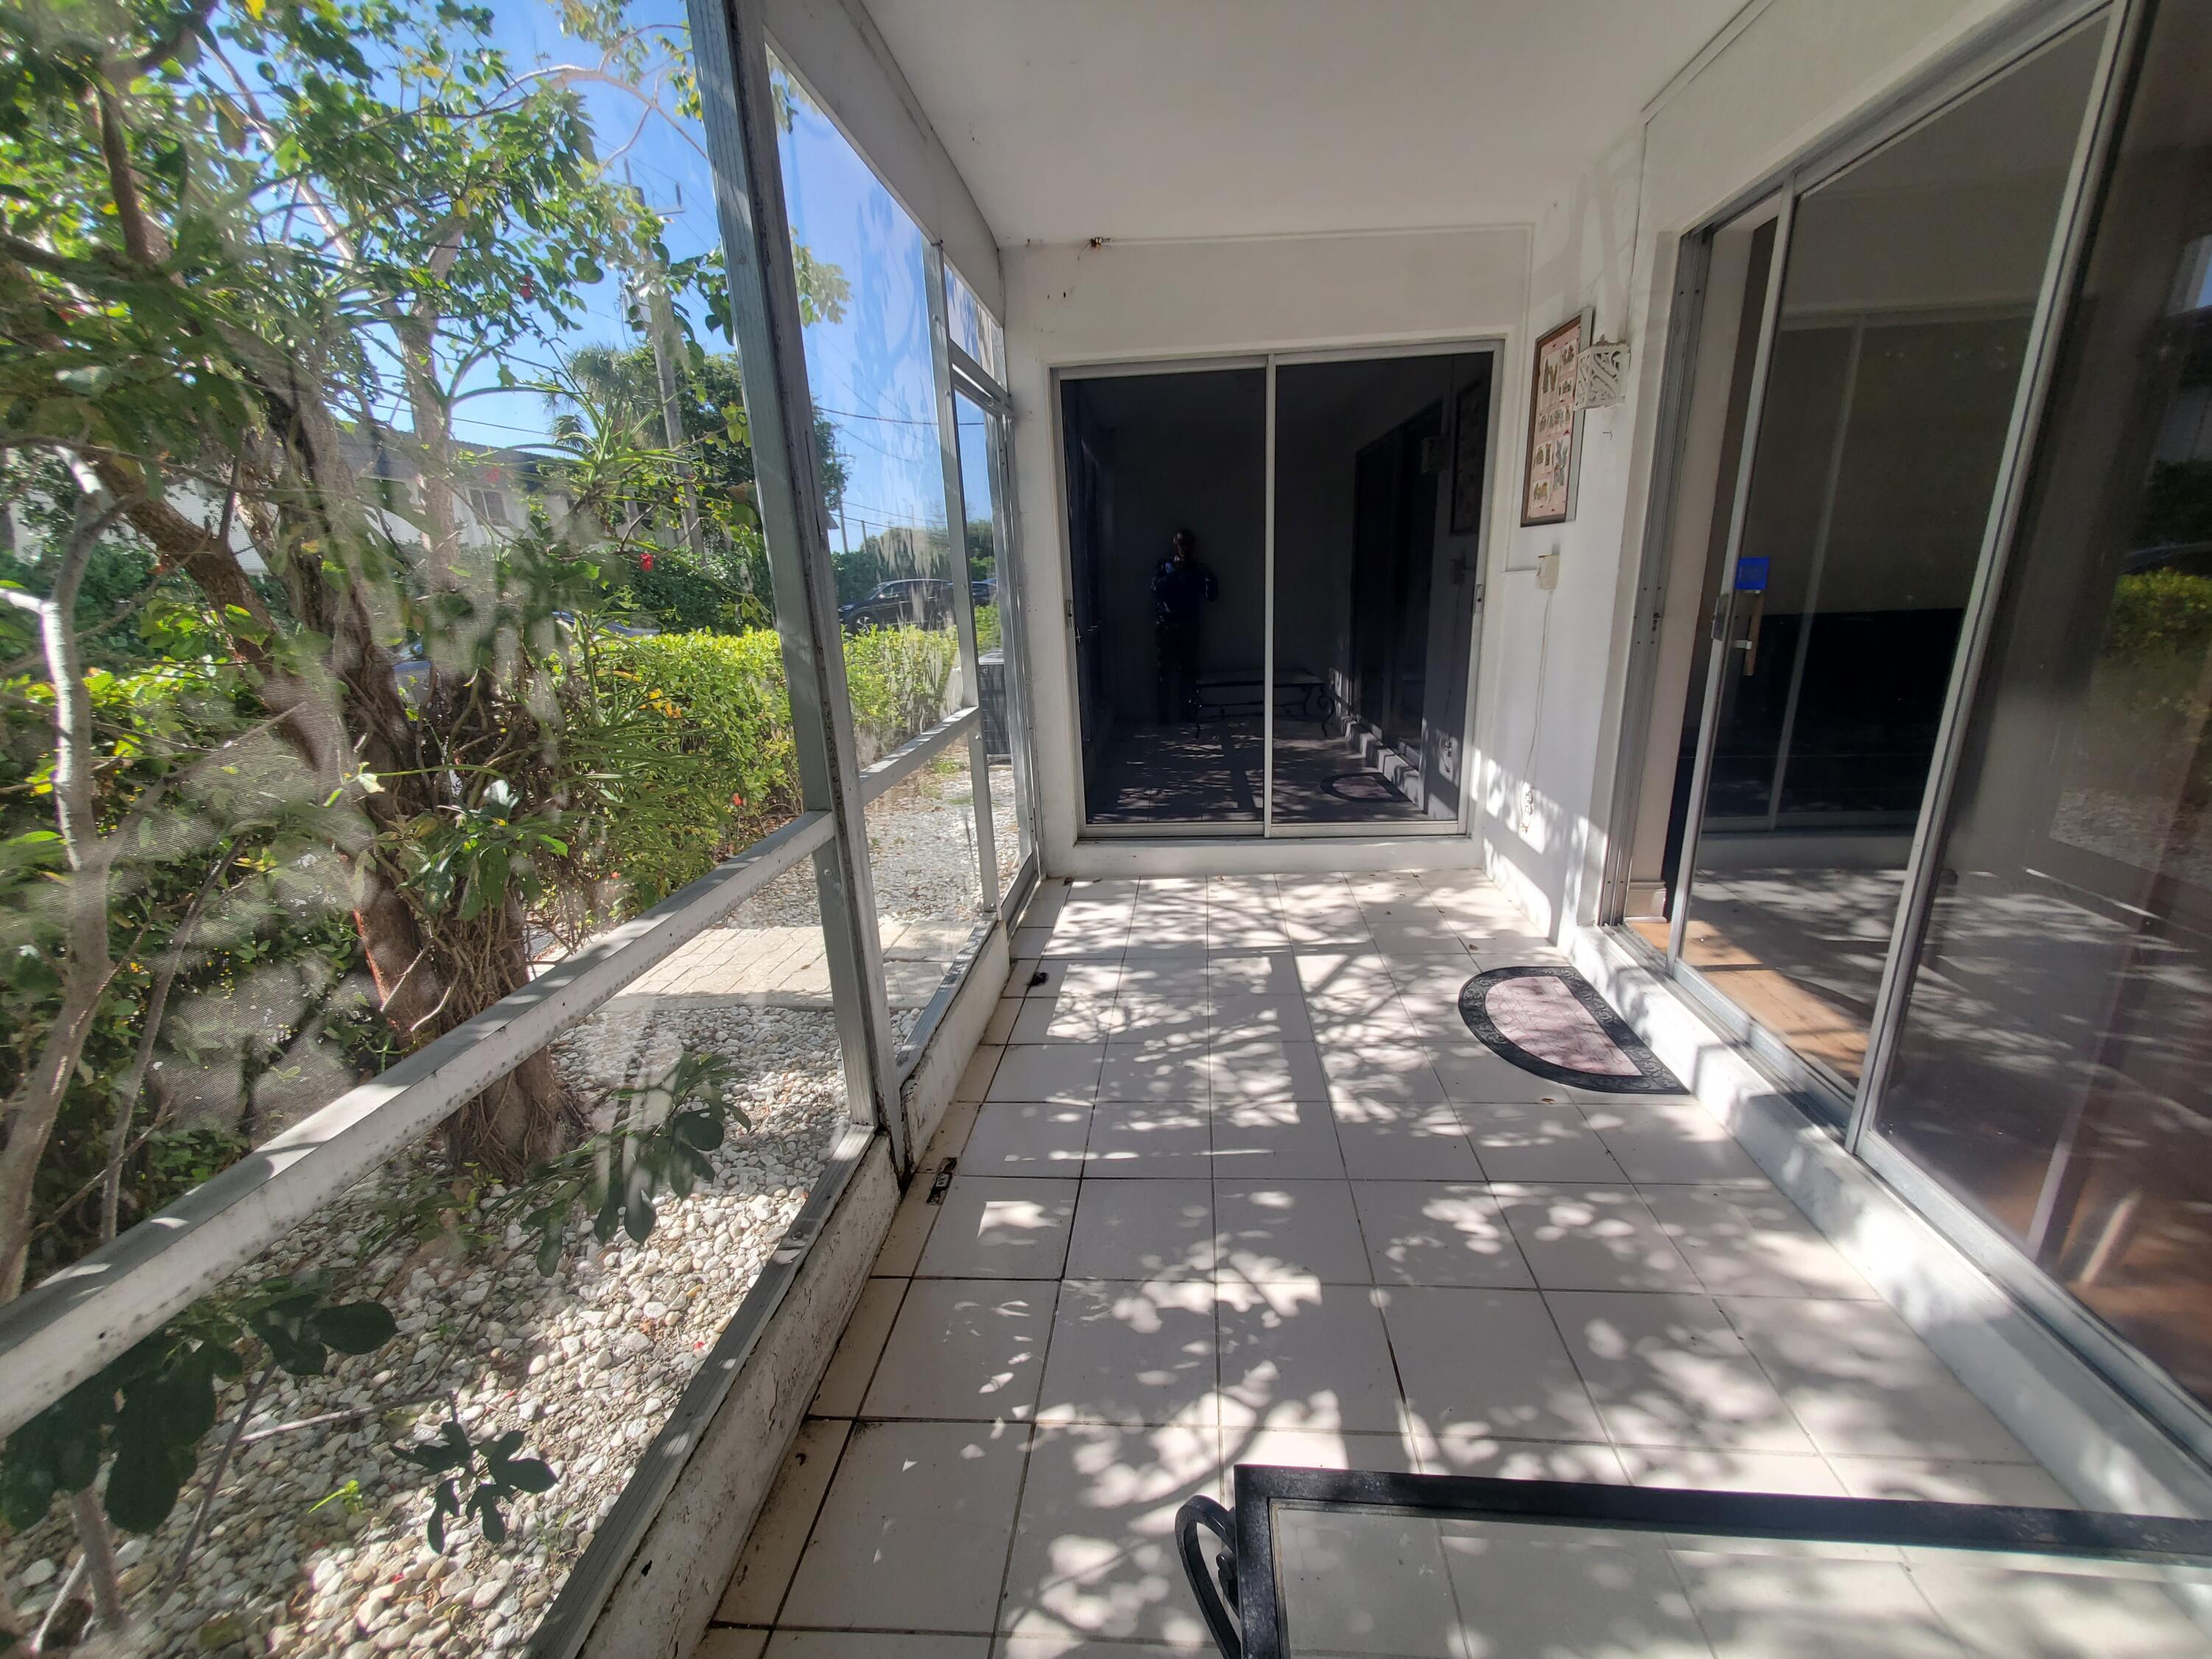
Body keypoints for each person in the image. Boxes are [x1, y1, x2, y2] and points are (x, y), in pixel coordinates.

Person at [1151, 529, 1218, 723]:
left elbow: (1212, 596)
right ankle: (1163, 715)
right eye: (1181, 544)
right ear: (1175, 544)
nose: (1185, 548)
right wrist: (1176, 572)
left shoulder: (1197, 569)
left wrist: (1209, 577)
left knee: (1188, 671)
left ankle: (1186, 713)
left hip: (1189, 626)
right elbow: (1156, 589)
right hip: (1167, 626)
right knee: (1164, 671)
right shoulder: (1164, 566)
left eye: (1188, 544)